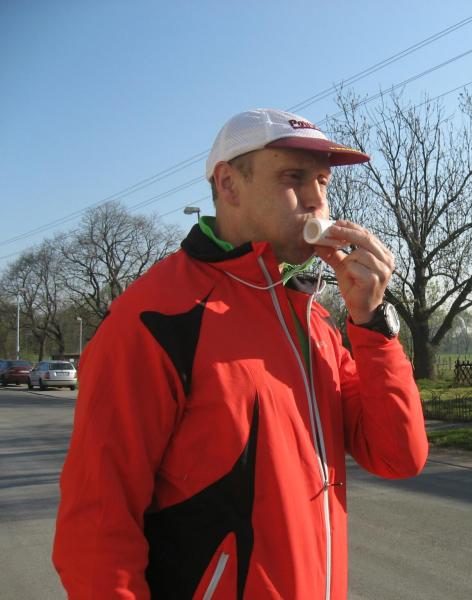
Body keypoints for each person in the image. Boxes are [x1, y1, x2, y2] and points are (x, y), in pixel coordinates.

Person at [53, 108, 429, 599]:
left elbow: (398, 456)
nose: (317, 200)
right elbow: (95, 529)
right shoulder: (155, 317)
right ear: (228, 184)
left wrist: (371, 322)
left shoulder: (312, 319)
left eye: (323, 182)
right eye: (293, 178)